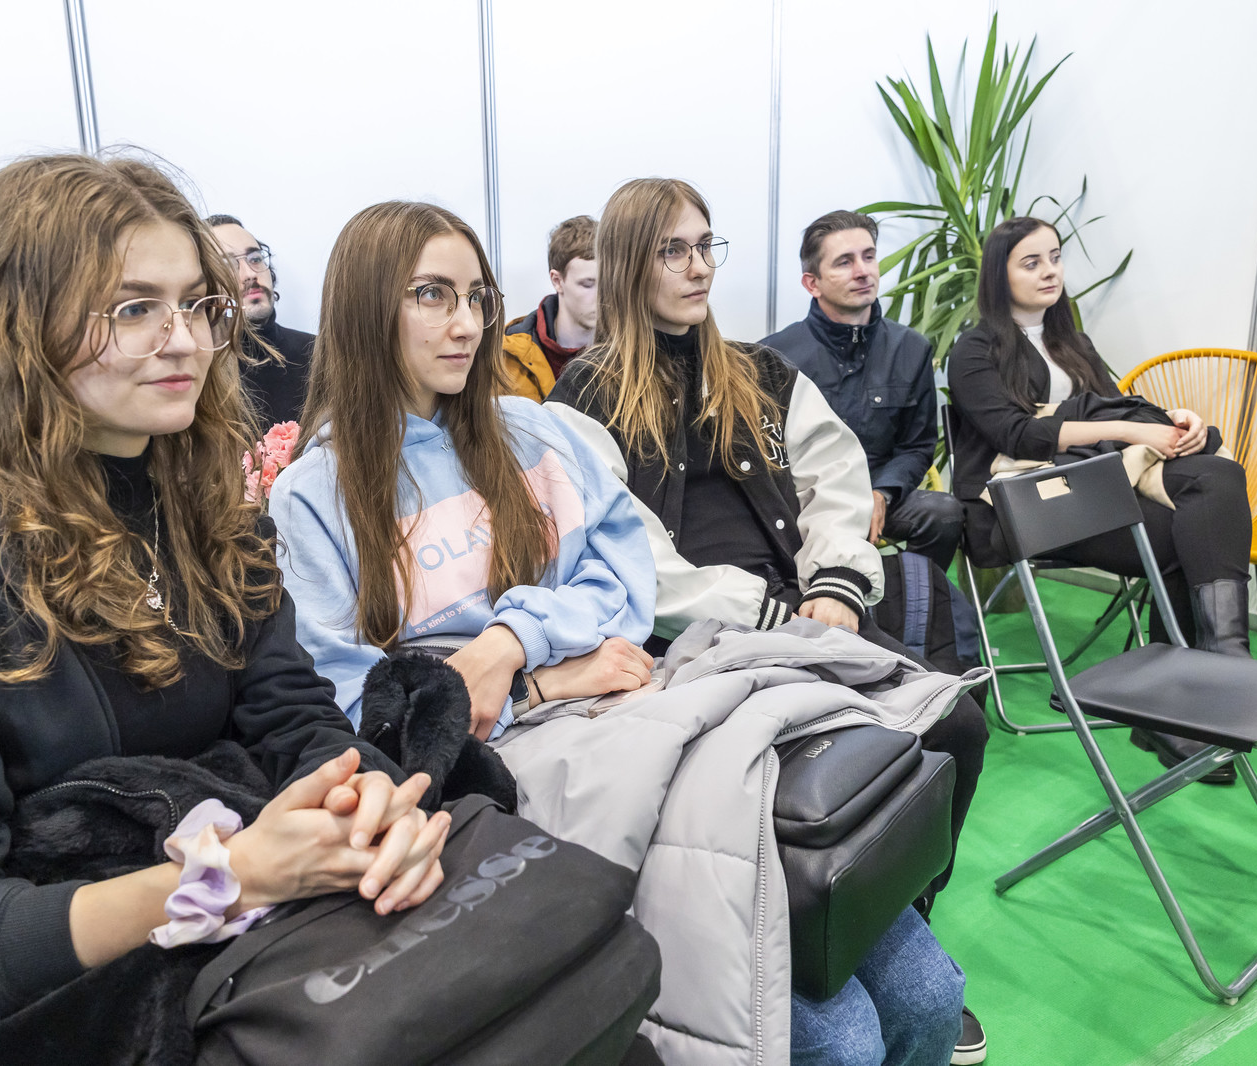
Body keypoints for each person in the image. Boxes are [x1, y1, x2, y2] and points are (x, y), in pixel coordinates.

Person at [0, 156, 447, 1055]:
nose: (183, 341)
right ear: (19, 327)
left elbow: (293, 716)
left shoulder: (214, 520)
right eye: (134, 309)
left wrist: (368, 802)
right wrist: (226, 879)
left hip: (248, 960)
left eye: (196, 305)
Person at [544, 177, 982, 1066]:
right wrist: (774, 614)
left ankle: (893, 907)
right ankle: (799, 946)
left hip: (812, 617)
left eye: (706, 245)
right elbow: (633, 559)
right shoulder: (579, 401)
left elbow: (836, 482)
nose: (699, 267)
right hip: (690, 648)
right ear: (627, 264)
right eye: (673, 250)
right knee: (781, 799)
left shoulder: (761, 372)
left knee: (955, 725)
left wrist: (838, 586)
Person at [270, 200, 655, 740]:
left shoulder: (536, 431)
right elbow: (356, 710)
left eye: (477, 297)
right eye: (433, 295)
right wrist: (534, 686)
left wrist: (509, 641)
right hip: (480, 760)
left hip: (618, 710)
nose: (469, 326)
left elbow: (627, 578)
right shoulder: (310, 495)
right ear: (365, 309)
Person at [948, 215, 1254, 782]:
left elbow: (1116, 412)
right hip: (1016, 507)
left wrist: (1172, 420)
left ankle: (1220, 670)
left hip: (1090, 487)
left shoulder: (1072, 343)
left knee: (1215, 478)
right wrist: (1131, 429)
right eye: (1031, 262)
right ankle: (1179, 705)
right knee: (1182, 538)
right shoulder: (974, 349)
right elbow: (1016, 435)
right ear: (999, 274)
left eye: (1055, 257)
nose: (1049, 271)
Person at [761, 210, 962, 570]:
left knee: (942, 514)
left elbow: (915, 447)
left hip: (878, 493)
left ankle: (913, 596)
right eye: (844, 262)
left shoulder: (912, 349)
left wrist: (882, 493)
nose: (863, 271)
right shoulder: (773, 356)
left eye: (869, 256)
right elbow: (765, 452)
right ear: (812, 283)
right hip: (802, 501)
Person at [207, 213, 316, 427]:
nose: (249, 274)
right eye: (228, 265)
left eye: (255, 259)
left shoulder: (319, 352)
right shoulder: (200, 368)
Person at [500, 214, 597, 402]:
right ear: (557, 281)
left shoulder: (631, 350)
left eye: (608, 284)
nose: (602, 296)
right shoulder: (507, 356)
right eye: (587, 284)